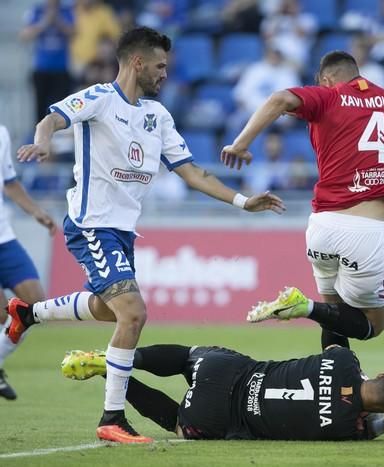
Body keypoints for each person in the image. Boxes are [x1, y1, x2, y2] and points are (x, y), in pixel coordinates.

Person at [7, 27, 285, 443]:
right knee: (134, 313)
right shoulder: (99, 99)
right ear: (138, 62)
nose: (164, 73)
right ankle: (111, 418)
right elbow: (51, 119)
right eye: (160, 66)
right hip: (91, 224)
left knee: (107, 309)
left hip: (122, 232)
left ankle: (27, 314)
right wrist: (42, 142)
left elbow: (192, 173)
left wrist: (244, 202)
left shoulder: (159, 116)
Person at [222, 51, 384, 351]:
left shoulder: (328, 97)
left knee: (333, 318)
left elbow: (279, 99)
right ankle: (304, 306)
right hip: (366, 229)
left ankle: (337, 390)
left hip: (322, 227)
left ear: (326, 80)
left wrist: (240, 144)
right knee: (373, 325)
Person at [59, 344, 384, 441]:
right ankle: (110, 373)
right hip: (221, 417)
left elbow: (334, 350)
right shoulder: (349, 428)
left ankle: (124, 358)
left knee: (188, 357)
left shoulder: (346, 361)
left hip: (231, 370)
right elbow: (383, 426)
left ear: (380, 373)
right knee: (176, 422)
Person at [0, 124, 57, 401]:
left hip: (5, 239)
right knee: (2, 316)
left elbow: (9, 182)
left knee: (34, 307)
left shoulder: (1, 133)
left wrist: (37, 212)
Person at [20, 0, 75, 124]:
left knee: (63, 110)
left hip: (61, 69)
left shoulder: (67, 10)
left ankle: (60, 140)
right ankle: (40, 140)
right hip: (41, 69)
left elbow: (74, 33)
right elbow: (25, 35)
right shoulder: (36, 10)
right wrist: (45, 22)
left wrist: (57, 21)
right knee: (40, 111)